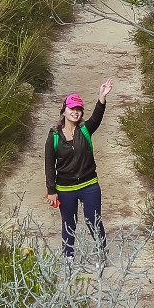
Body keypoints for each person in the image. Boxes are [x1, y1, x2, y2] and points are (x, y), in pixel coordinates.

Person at [45, 78, 113, 259]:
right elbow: (49, 164)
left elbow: (97, 117)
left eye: (79, 109)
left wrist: (102, 97)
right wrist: (51, 190)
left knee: (94, 221)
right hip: (65, 188)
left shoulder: (85, 130)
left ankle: (101, 253)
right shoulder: (54, 135)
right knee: (69, 224)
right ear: (64, 111)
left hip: (89, 184)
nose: (75, 112)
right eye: (72, 109)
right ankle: (68, 257)